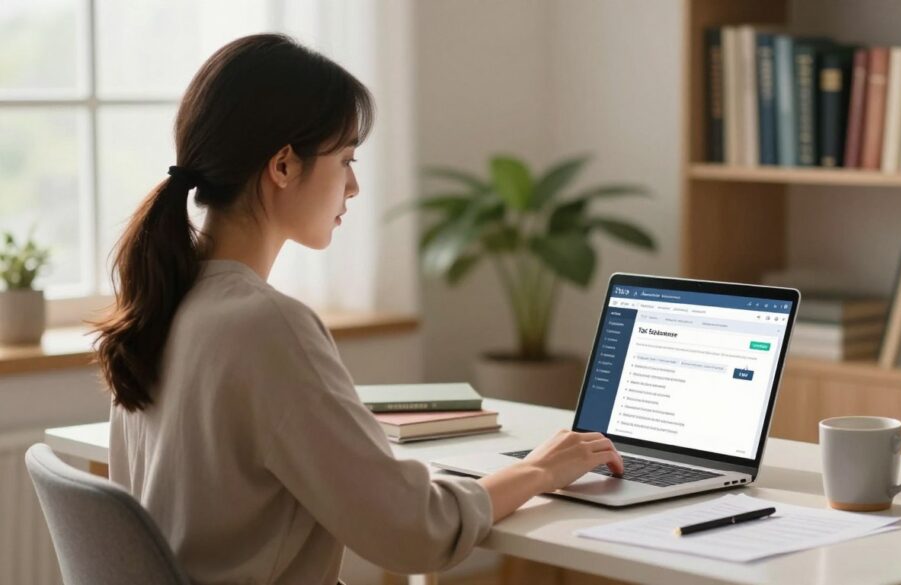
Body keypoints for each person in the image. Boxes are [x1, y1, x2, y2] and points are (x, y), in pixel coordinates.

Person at [92, 33, 624, 585]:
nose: (354, 185)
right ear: (282, 166)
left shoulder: (166, 298)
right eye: (344, 159)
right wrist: (540, 469)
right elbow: (416, 532)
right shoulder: (265, 324)